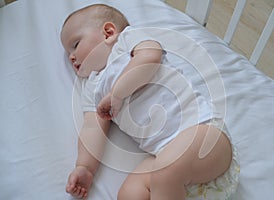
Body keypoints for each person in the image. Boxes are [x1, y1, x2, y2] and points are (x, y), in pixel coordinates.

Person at [60, 4, 239, 200]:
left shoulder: (128, 41)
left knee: (165, 172)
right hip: (164, 155)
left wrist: (117, 94)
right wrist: (85, 167)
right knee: (129, 193)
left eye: (75, 44)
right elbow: (92, 129)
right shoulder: (91, 89)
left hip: (204, 132)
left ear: (108, 33)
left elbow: (150, 58)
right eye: (69, 52)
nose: (71, 56)